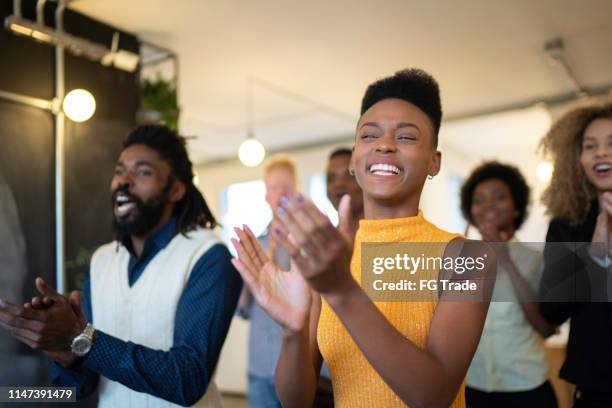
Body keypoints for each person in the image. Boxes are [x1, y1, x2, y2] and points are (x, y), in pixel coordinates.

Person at [232, 69, 494, 407]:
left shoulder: (469, 258)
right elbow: (295, 400)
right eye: (369, 136)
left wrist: (342, 289)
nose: (384, 145)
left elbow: (434, 396)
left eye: (406, 137)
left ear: (434, 161)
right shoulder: (327, 258)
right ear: (355, 159)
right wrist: (292, 331)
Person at [0, 125, 242, 407]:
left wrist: (82, 338)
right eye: (119, 171)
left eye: (142, 172)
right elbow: (81, 387)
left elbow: (187, 379)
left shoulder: (208, 256)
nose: (123, 181)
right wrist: (65, 351)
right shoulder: (102, 260)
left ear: (176, 189)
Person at [460, 161, 557, 407]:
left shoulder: (537, 259)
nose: (488, 206)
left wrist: (506, 260)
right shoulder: (460, 262)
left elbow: (545, 327)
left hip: (527, 389)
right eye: (479, 200)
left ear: (516, 208)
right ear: (470, 210)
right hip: (473, 388)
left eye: (499, 197)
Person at [539, 102, 612, 407]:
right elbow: (552, 310)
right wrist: (594, 256)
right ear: (577, 159)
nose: (601, 153)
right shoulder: (567, 226)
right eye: (590, 146)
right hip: (596, 387)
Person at [236, 154, 297, 408]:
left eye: (286, 186)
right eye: (274, 187)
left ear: (296, 191)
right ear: (266, 195)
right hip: (260, 364)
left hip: (299, 366)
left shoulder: (307, 243)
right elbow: (243, 309)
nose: (280, 192)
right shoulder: (256, 245)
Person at [326, 148, 364, 222]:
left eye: (349, 176)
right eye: (331, 178)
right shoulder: (327, 233)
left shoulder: (387, 230)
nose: (338, 184)